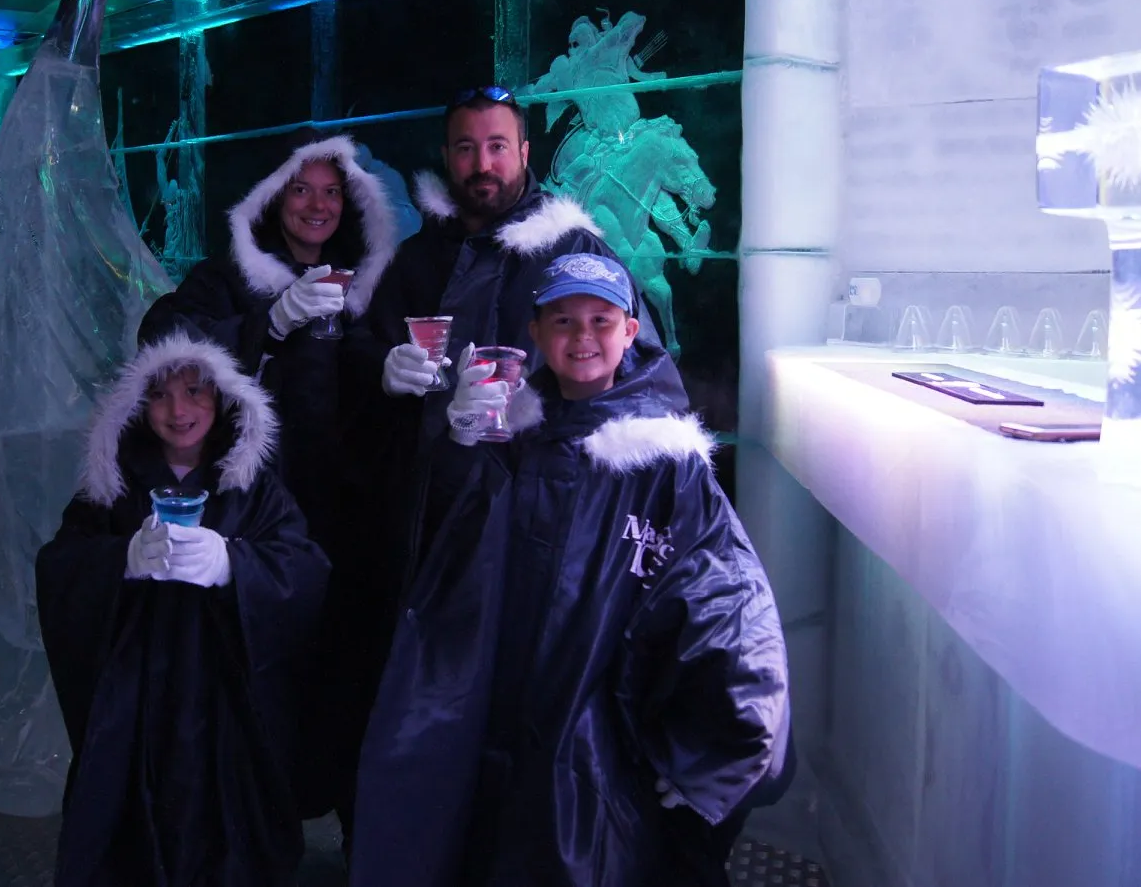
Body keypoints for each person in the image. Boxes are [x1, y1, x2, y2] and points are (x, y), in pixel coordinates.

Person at [351, 253, 790, 887]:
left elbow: (727, 605)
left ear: (630, 331)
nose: (582, 338)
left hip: (600, 746)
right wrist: (458, 444)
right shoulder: (516, 437)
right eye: (563, 320)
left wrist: (714, 747)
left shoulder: (664, 463)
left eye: (600, 320)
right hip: (499, 716)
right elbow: (446, 556)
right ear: (535, 333)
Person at [338, 86, 669, 835]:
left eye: (496, 146)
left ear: (525, 153)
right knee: (418, 709)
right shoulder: (418, 258)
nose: (481, 164)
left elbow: (637, 372)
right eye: (465, 147)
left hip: (529, 529)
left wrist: (533, 418)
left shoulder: (572, 250)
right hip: (421, 531)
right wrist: (382, 372)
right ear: (447, 157)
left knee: (516, 715)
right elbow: (358, 362)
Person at [136, 132, 396, 821]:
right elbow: (162, 337)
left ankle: (345, 820)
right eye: (301, 188)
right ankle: (250, 828)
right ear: (272, 196)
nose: (317, 205)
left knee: (341, 669)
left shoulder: (355, 284)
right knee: (260, 668)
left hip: (341, 514)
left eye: (332, 191)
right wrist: (266, 324)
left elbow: (364, 377)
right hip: (255, 517)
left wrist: (396, 373)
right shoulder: (225, 277)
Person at [34, 322, 330, 887]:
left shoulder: (254, 487)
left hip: (226, 704)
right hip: (139, 699)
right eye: (161, 395)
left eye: (195, 390)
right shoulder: (112, 486)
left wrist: (233, 564)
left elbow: (306, 567)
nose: (178, 410)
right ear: (138, 404)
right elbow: (60, 566)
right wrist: (122, 559)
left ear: (221, 396)